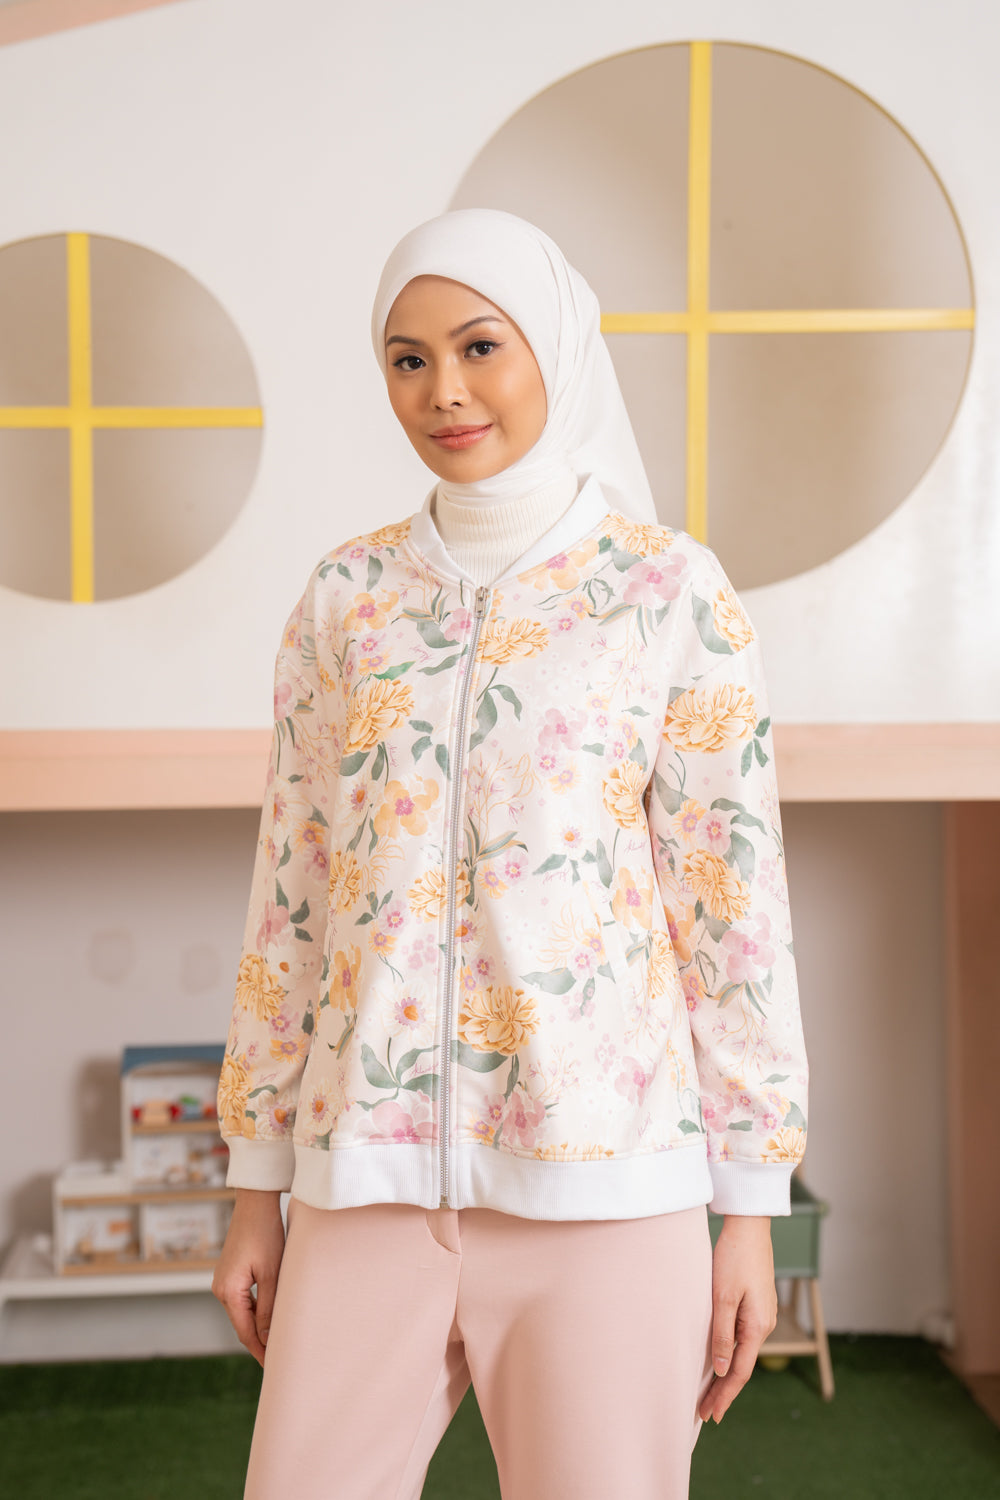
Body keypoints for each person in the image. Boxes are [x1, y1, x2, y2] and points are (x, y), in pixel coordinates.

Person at [212, 208, 810, 1500]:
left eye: (480, 346)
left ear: (556, 347)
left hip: (608, 1186)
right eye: (408, 359)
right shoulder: (346, 599)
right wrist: (257, 1183)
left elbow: (733, 907)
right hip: (363, 1179)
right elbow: (292, 894)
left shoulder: (667, 591)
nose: (444, 389)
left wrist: (751, 1206)